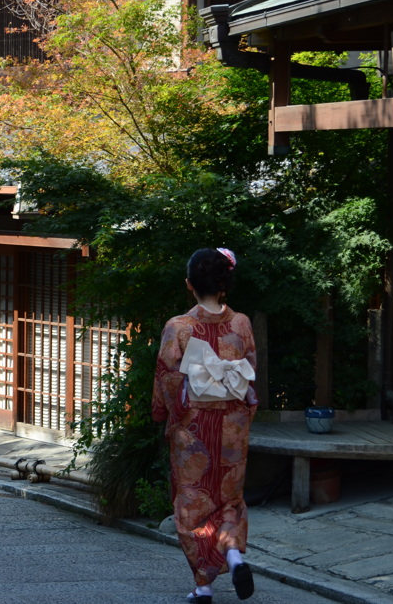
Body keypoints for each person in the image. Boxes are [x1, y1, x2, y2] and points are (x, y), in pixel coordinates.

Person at [151, 247, 257, 603]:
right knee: (228, 498)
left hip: (194, 429)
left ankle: (204, 585)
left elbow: (167, 379)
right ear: (224, 285)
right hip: (233, 426)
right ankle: (233, 556)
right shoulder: (241, 323)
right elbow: (250, 372)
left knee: (192, 506)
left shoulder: (179, 327)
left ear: (189, 285)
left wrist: (163, 415)